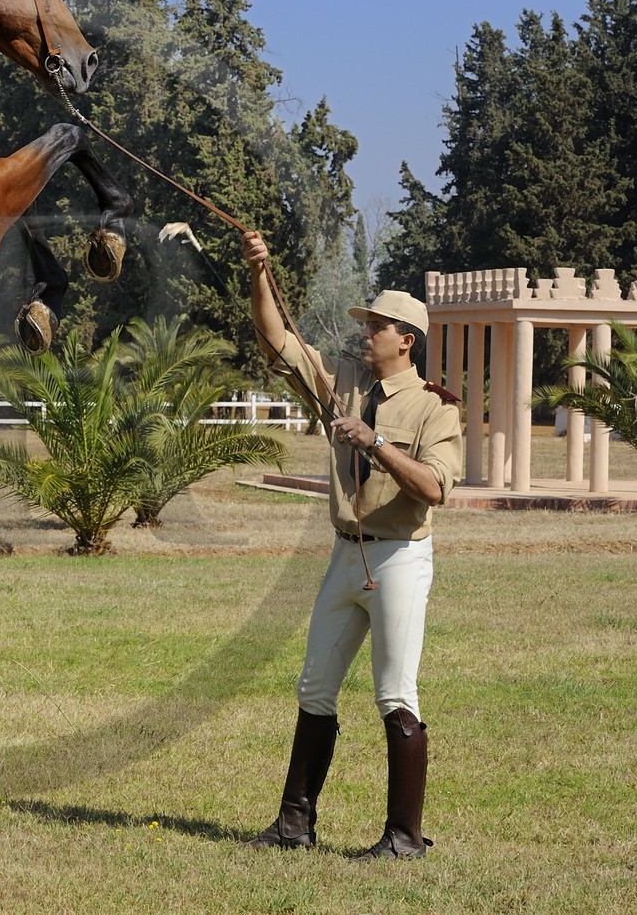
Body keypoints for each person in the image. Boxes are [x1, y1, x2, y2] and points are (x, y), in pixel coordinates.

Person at [240, 230, 464, 861]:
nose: (365, 334)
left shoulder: (435, 409)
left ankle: (404, 838)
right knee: (314, 689)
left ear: (406, 340)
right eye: (367, 325)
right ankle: (294, 824)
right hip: (345, 554)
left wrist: (373, 442)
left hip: (398, 559)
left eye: (377, 326)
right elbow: (277, 340)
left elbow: (434, 489)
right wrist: (261, 270)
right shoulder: (342, 381)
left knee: (396, 694)